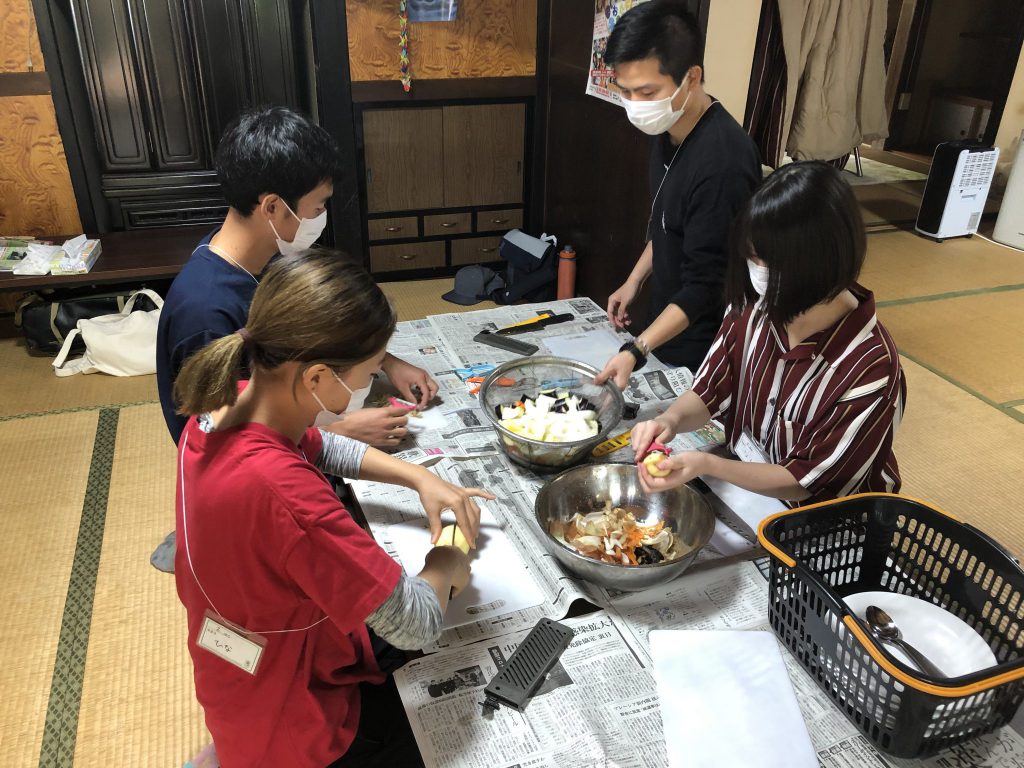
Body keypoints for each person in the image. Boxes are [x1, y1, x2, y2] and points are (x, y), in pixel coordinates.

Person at [174, 250, 493, 767]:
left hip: (238, 670)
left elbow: (321, 444)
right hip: (299, 725)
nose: (369, 386)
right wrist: (449, 557)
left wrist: (419, 477)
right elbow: (415, 623)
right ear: (318, 377)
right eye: (368, 373)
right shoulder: (288, 498)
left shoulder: (226, 402)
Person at [156, 106, 437, 450]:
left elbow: (313, 332)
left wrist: (383, 361)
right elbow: (217, 443)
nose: (322, 216)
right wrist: (340, 431)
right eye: (318, 207)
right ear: (272, 207)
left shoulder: (266, 255)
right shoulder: (206, 313)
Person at [631, 162, 906, 506]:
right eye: (752, 257)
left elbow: (804, 481)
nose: (757, 272)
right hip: (745, 483)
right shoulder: (754, 307)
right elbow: (710, 389)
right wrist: (670, 420)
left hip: (822, 517)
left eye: (769, 261)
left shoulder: (870, 366)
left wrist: (707, 464)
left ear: (818, 265)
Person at [593, 0, 761, 390]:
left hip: (706, 339)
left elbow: (707, 286)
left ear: (691, 77)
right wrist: (634, 280)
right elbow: (670, 223)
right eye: (626, 92)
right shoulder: (668, 128)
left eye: (647, 91)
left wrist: (637, 349)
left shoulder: (723, 163)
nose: (636, 106)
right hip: (666, 320)